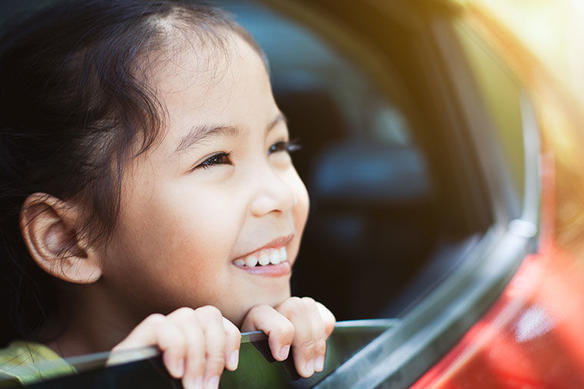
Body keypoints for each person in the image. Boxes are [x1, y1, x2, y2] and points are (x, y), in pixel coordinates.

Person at [0, 0, 335, 388]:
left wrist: (268, 365)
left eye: (277, 147)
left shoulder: (259, 346)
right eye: (215, 159)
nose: (282, 195)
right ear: (68, 240)